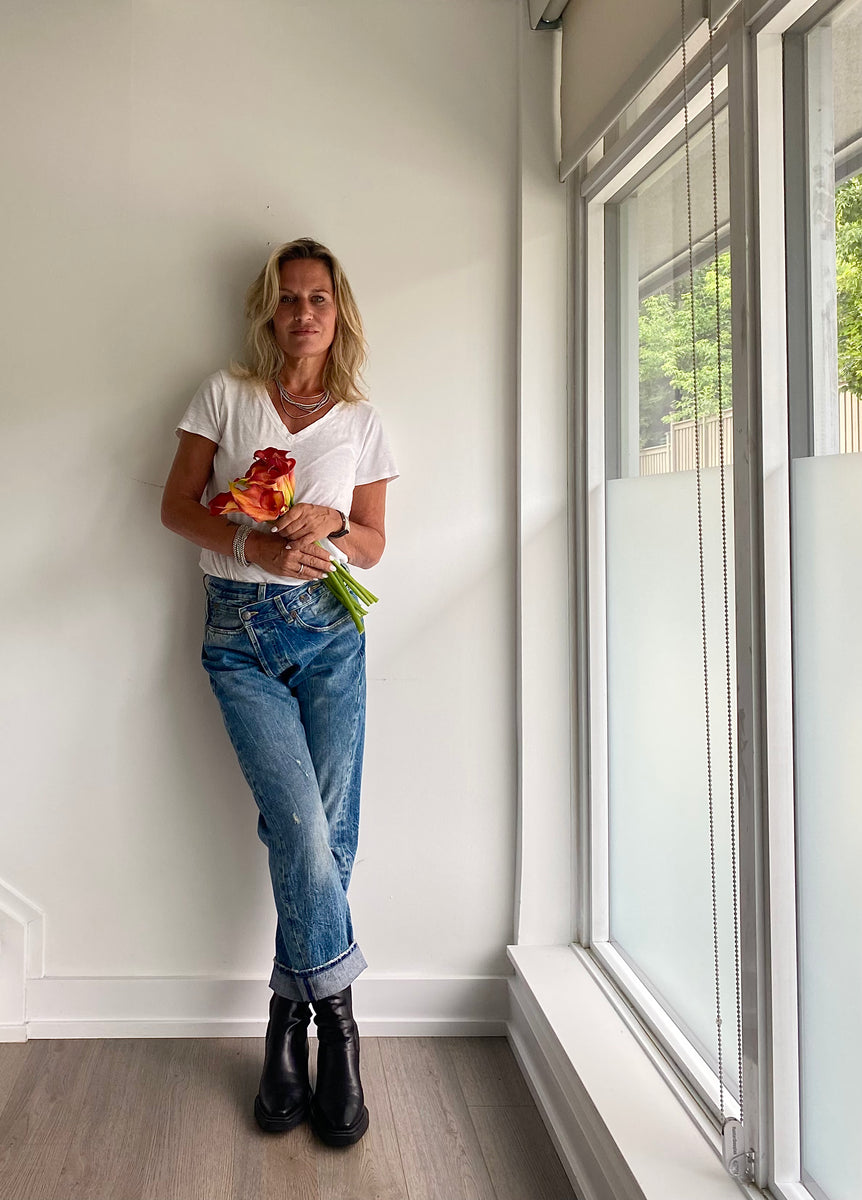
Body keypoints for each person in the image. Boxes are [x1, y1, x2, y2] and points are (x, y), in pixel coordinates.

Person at [161, 237, 398, 1147]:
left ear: (339, 313)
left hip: (331, 636)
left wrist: (332, 519)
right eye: (290, 298)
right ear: (270, 309)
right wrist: (251, 543)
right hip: (239, 640)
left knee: (331, 835)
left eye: (319, 299)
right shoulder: (225, 395)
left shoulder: (363, 421)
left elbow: (373, 543)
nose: (304, 313)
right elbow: (176, 506)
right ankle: (339, 1028)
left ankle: (287, 1022)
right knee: (301, 828)